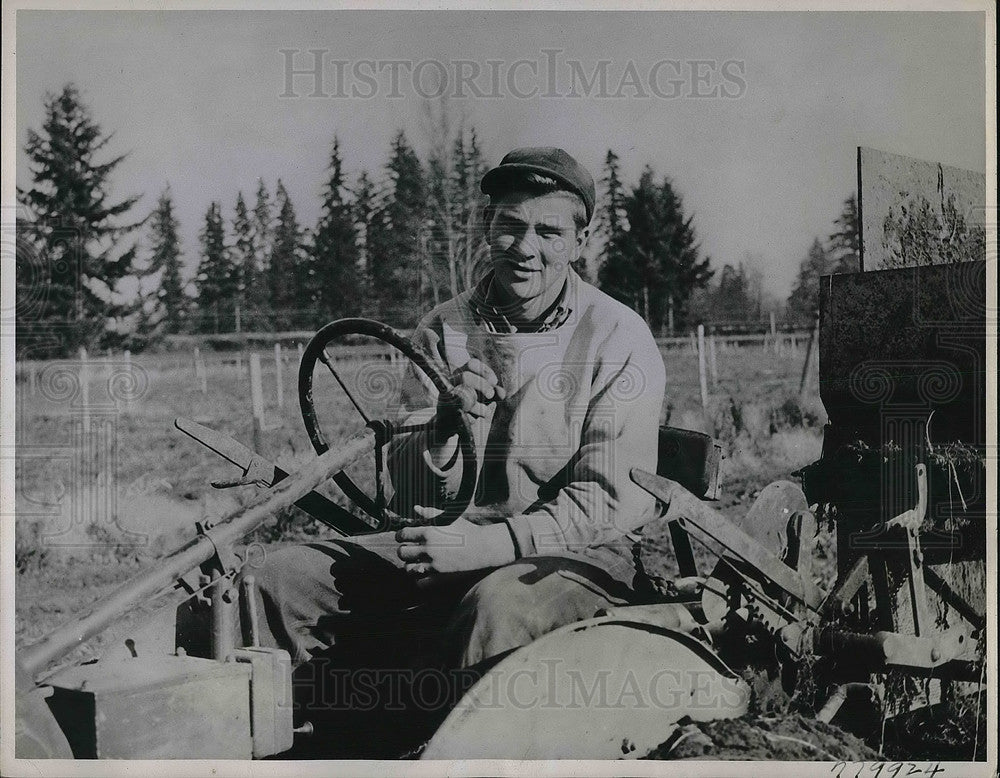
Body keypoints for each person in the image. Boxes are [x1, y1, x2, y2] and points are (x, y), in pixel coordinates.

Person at [251, 148, 666, 741]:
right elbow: (403, 492)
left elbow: (605, 506)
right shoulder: (444, 329)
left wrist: (490, 544)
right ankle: (327, 746)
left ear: (580, 239)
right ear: (488, 227)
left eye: (548, 231)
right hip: (444, 543)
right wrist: (442, 431)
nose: (525, 249)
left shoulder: (617, 337)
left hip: (578, 556)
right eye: (509, 226)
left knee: (496, 610)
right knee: (280, 577)